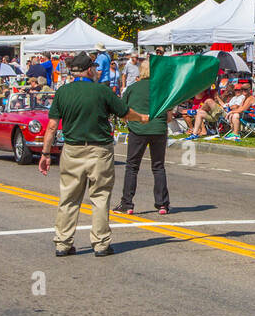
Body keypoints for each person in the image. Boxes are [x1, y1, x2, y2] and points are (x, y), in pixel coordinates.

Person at [38, 51, 145, 257]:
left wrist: (45, 153)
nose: (96, 71)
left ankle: (63, 243)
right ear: (89, 69)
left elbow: (52, 127)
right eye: (94, 67)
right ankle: (101, 243)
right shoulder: (101, 91)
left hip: (72, 149)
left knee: (68, 198)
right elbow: (124, 113)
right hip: (99, 149)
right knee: (100, 197)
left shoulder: (62, 92)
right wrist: (142, 117)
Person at [117, 56, 172, 216]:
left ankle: (127, 203)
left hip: (138, 129)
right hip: (159, 129)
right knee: (158, 166)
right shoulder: (162, 89)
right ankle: (162, 204)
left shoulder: (132, 89)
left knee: (132, 166)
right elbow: (169, 117)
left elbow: (123, 113)